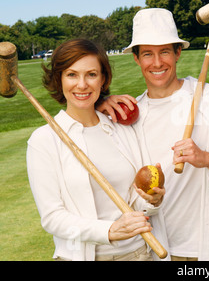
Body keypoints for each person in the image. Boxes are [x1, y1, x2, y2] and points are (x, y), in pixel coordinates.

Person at [98, 8, 209, 261]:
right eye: (147, 54)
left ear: (178, 53)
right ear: (136, 58)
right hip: (153, 249)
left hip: (204, 248)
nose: (157, 63)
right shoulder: (131, 115)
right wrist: (97, 105)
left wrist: (206, 159)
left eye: (165, 51)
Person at [26, 39, 167, 261]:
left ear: (103, 79)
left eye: (91, 74)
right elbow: (52, 218)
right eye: (72, 74)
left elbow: (135, 202)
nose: (82, 84)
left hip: (140, 253)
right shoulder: (44, 140)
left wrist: (151, 201)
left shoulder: (120, 129)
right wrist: (108, 231)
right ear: (59, 79)